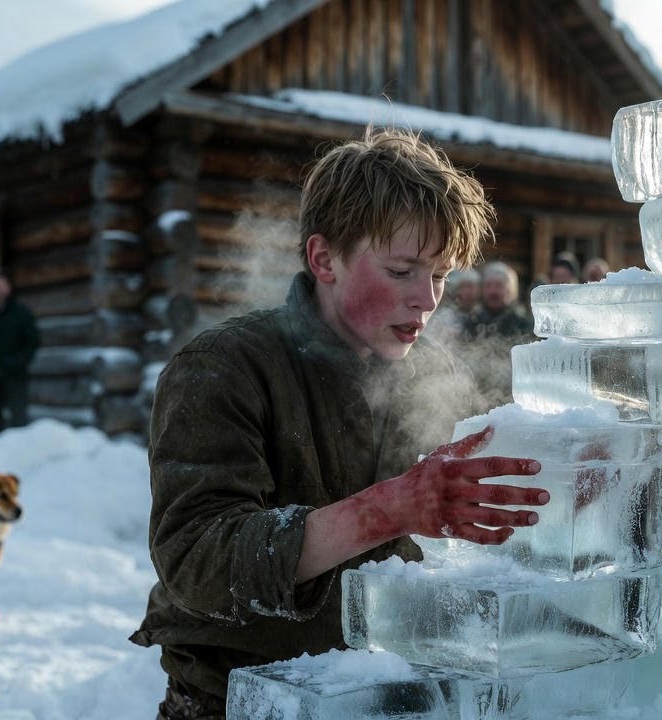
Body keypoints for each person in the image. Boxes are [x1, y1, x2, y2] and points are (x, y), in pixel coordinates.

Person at [129, 130, 549, 719]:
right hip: (233, 703)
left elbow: (481, 513)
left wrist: (568, 485)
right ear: (324, 259)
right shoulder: (224, 367)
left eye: (440, 275)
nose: (427, 301)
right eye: (402, 270)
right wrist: (387, 511)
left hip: (388, 697)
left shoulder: (433, 373)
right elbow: (195, 563)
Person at [461, 262, 535, 408]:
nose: (493, 291)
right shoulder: (472, 323)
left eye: (499, 286)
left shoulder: (523, 324)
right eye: (488, 286)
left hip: (511, 400)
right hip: (476, 399)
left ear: (510, 290)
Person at [0, 270, 39, 435]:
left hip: (16, 375)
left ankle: (19, 454)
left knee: (18, 419)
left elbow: (33, 342)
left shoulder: (22, 312)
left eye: (2, 284)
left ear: (9, 287)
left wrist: (18, 361)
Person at [427, 267, 480, 343]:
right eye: (463, 287)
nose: (468, 292)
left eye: (471, 287)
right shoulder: (444, 316)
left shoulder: (483, 315)